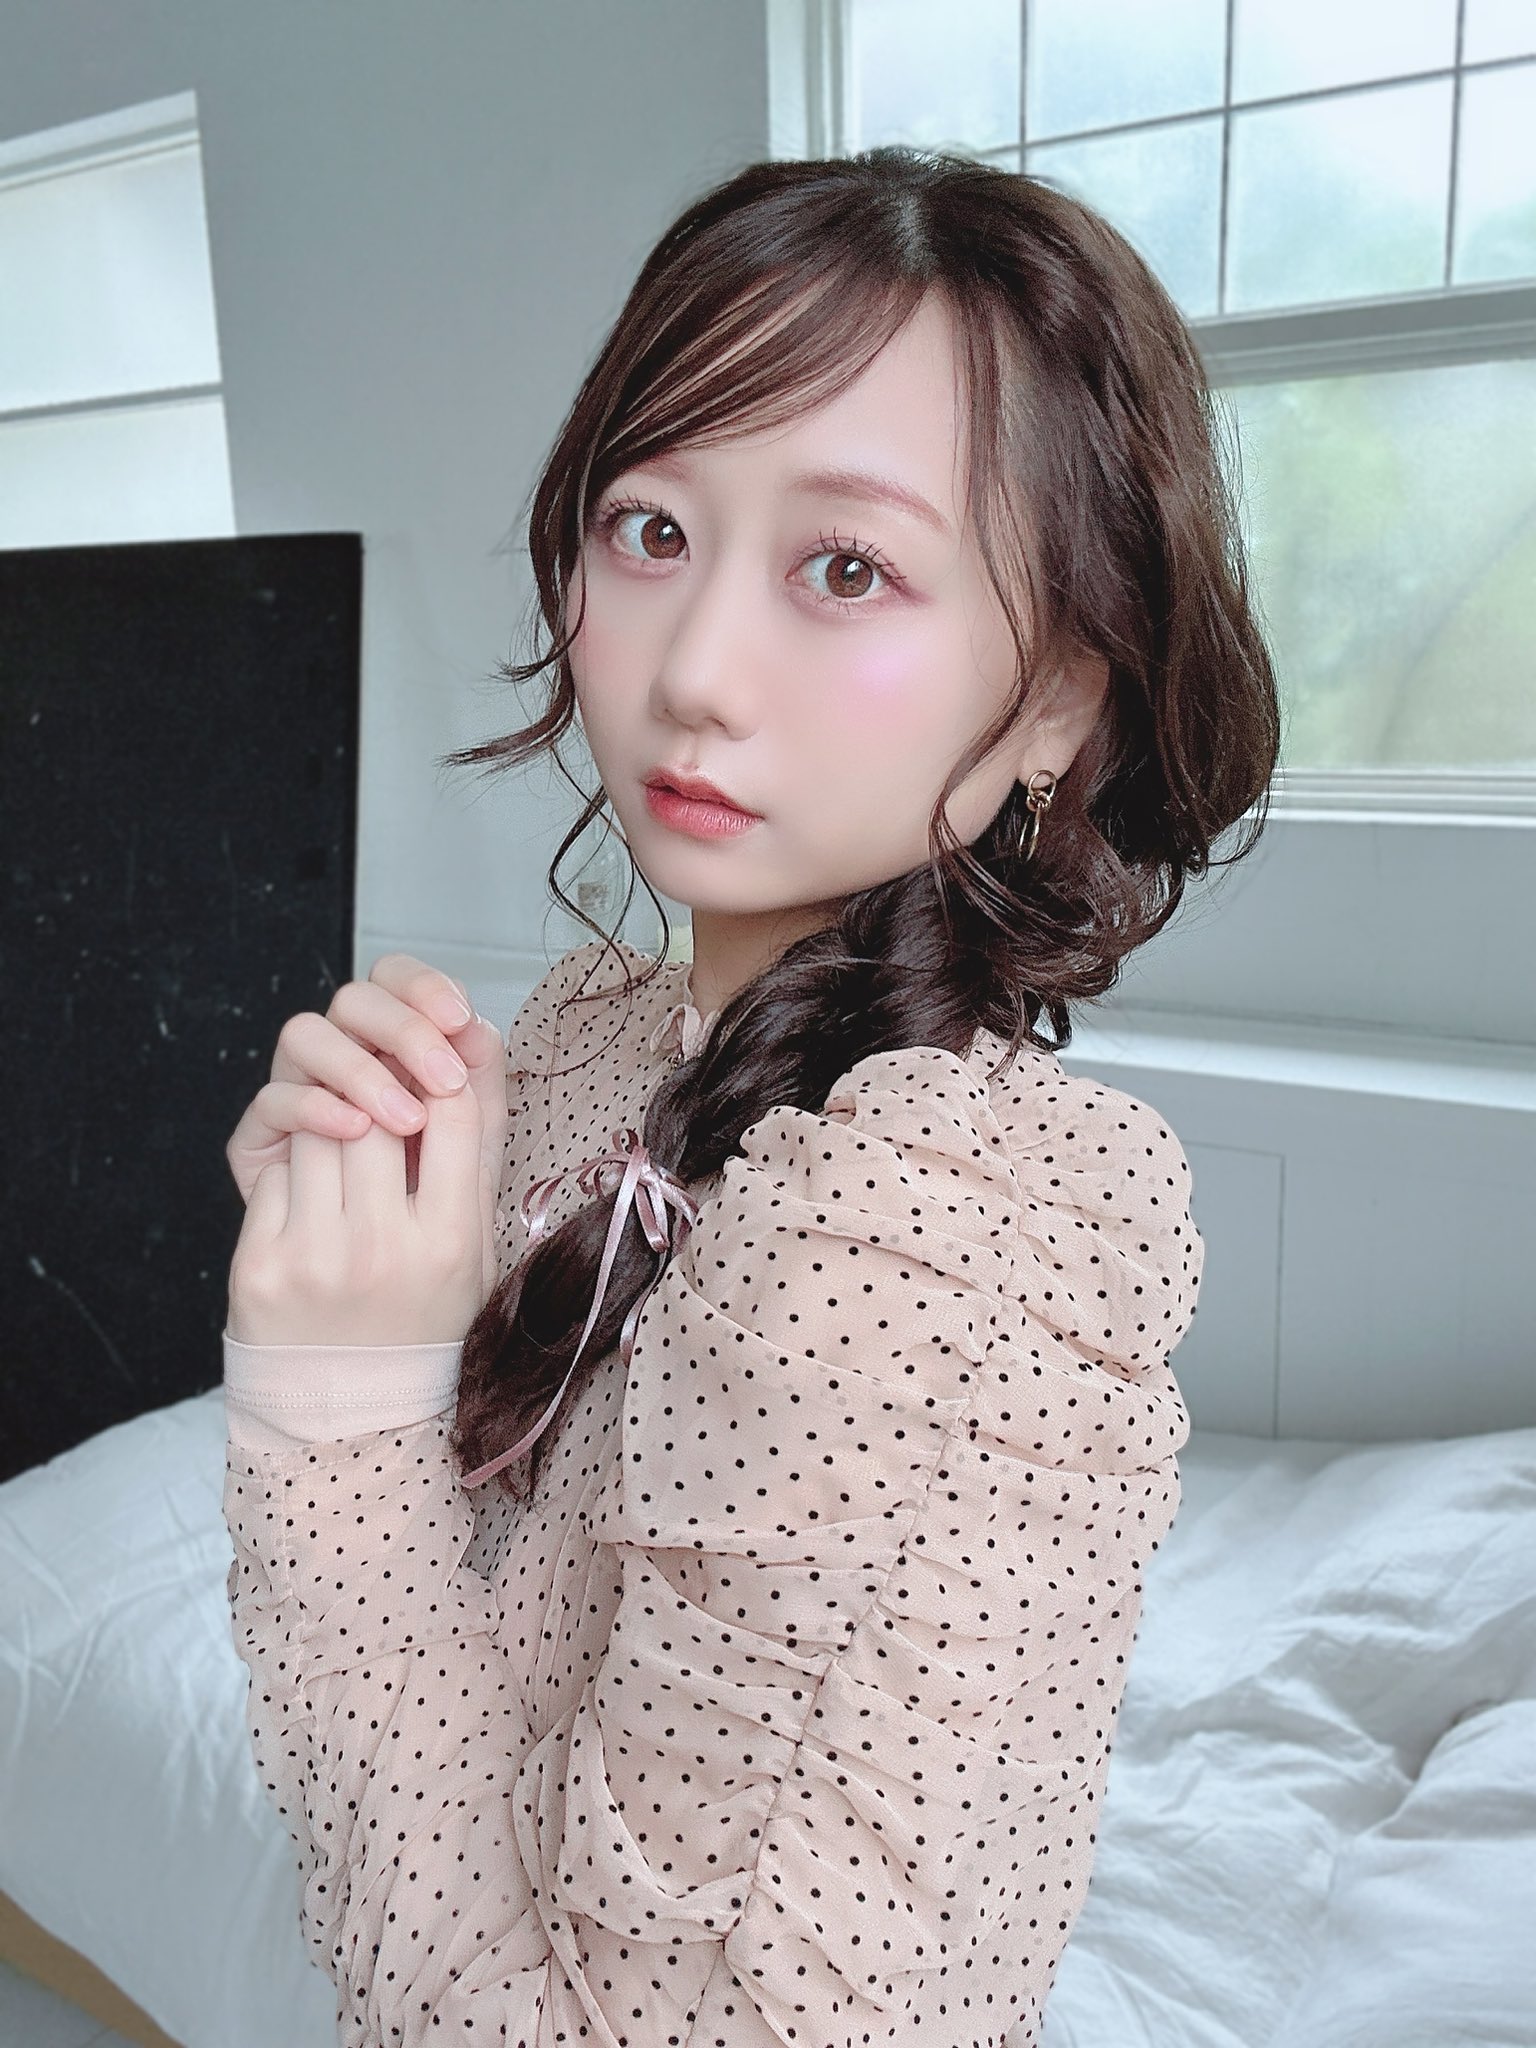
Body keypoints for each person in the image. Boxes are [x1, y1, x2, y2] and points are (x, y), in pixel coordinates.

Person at [220, 145, 1280, 2047]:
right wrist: (367, 1266)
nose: (694, 671)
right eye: (650, 529)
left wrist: (330, 1414)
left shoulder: (921, 1249)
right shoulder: (595, 1047)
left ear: (1062, 698)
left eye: (846, 568)